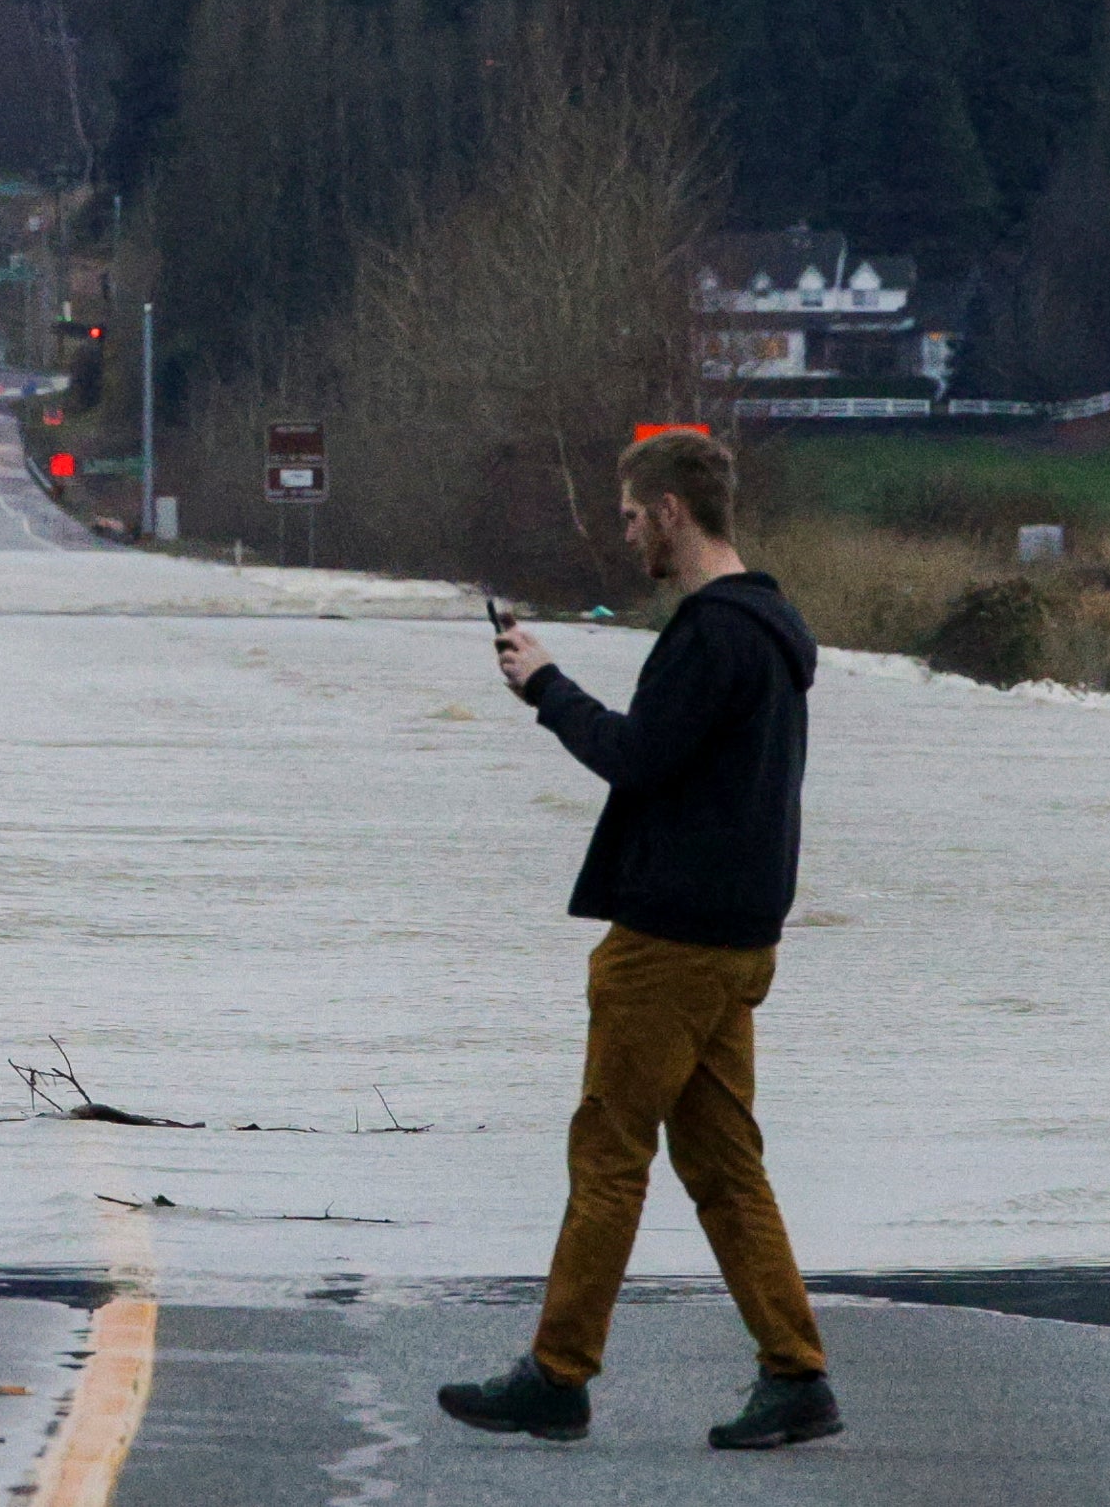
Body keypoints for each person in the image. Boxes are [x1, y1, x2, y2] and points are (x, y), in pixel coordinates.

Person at [437, 428, 842, 1452]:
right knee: (724, 1164)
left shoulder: (709, 634)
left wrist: (544, 685)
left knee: (609, 1155)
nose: (627, 538)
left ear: (671, 510)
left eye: (629, 516)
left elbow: (635, 757)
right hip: (741, 942)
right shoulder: (775, 625)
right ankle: (795, 1374)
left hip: (668, 944)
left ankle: (557, 1374)